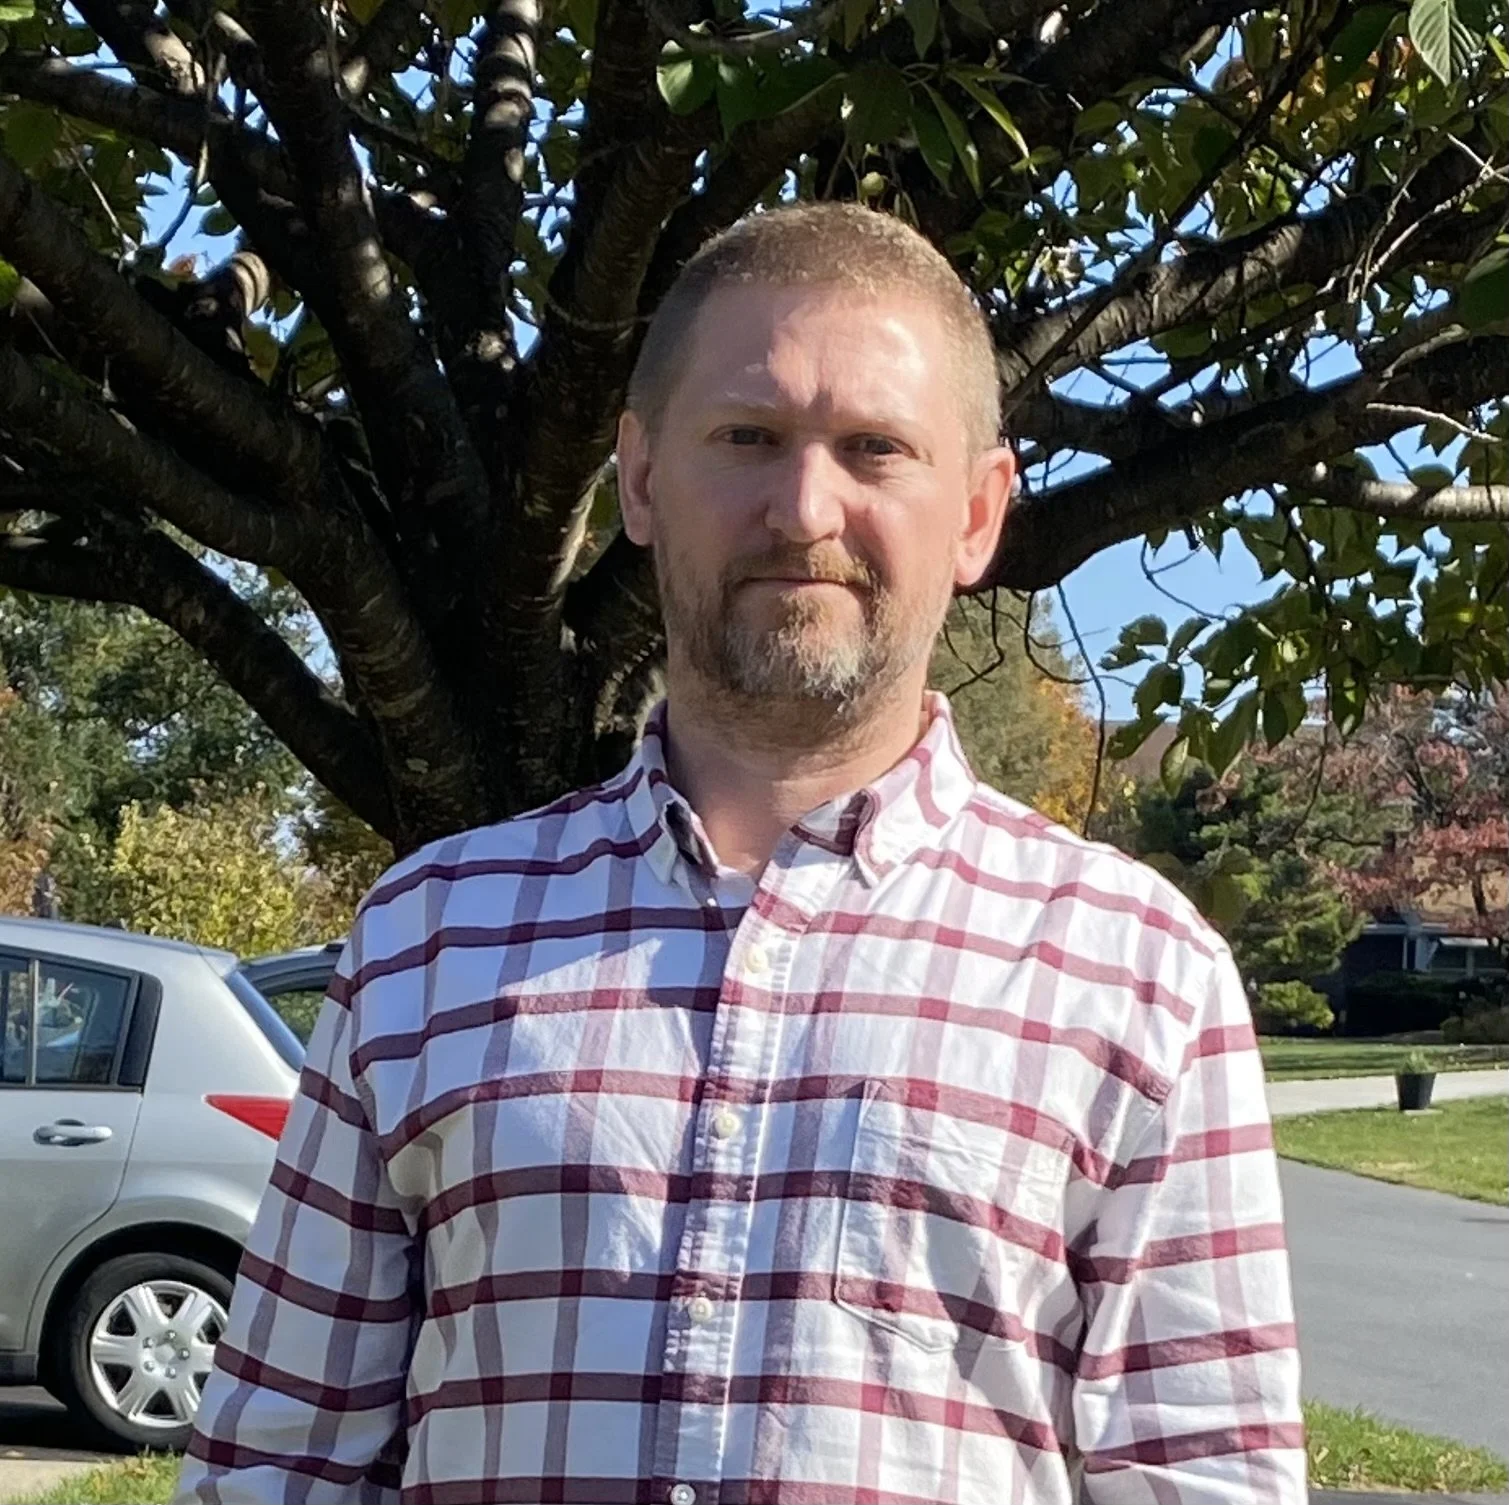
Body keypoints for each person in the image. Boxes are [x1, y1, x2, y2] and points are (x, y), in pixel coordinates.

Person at [176, 203, 1306, 1505]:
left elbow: (1203, 1481)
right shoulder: (427, 938)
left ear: (979, 511)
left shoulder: (1140, 978)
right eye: (747, 437)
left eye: (875, 448)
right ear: (640, 480)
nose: (804, 508)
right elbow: (277, 1468)